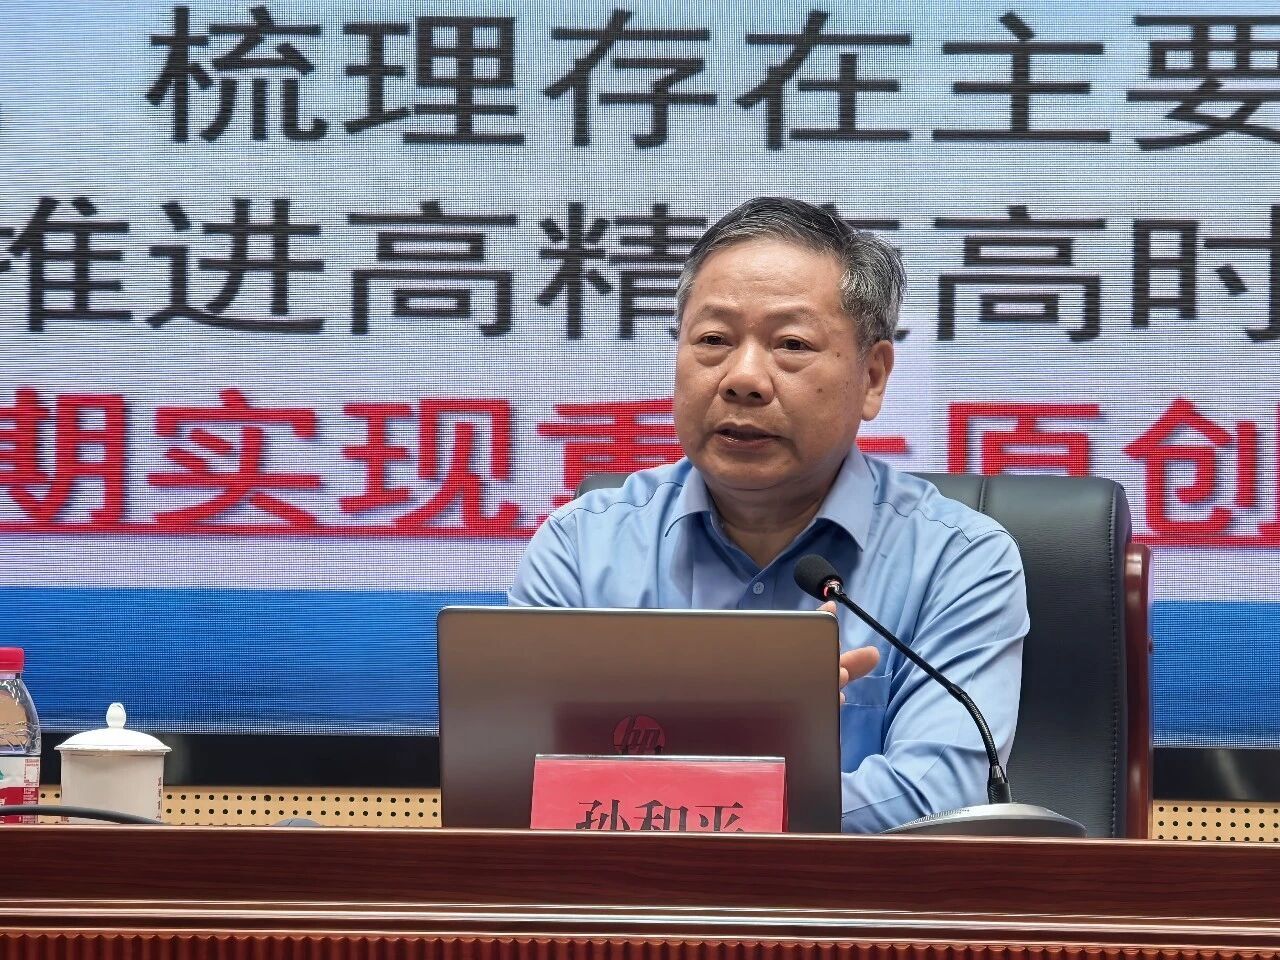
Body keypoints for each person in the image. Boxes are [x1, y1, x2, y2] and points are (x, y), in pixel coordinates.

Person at [509, 197, 1028, 833]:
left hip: (847, 900)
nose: (744, 378)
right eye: (713, 340)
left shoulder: (960, 559)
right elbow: (514, 788)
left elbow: (936, 804)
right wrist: (745, 731)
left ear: (872, 377)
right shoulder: (580, 547)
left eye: (791, 344)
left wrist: (691, 791)